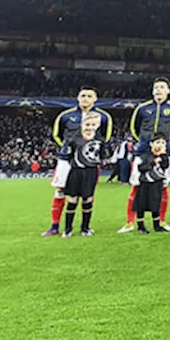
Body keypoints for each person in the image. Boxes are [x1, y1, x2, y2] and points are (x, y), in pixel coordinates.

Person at [44, 86, 114, 237]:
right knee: (60, 191)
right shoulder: (66, 115)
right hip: (67, 160)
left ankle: (85, 227)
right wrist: (69, 149)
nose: (85, 99)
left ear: (95, 99)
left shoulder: (103, 117)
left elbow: (105, 138)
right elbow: (57, 135)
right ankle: (55, 226)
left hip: (89, 162)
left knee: (87, 194)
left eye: (89, 96)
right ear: (77, 97)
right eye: (83, 95)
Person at [121, 78, 170, 233]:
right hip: (143, 152)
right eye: (156, 87)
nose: (159, 90)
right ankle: (130, 222)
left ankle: (161, 221)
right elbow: (134, 128)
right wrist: (144, 142)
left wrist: (166, 144)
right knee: (136, 186)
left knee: (163, 186)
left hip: (164, 154)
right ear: (152, 90)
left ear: (168, 91)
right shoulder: (142, 108)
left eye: (162, 87)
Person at [61, 112, 112, 237]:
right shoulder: (74, 139)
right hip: (76, 172)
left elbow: (102, 157)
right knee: (73, 199)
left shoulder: (100, 141)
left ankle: (85, 228)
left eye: (93, 125)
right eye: (87, 124)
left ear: (98, 126)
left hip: (91, 172)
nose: (90, 127)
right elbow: (69, 156)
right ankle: (68, 229)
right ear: (82, 124)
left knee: (88, 199)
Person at [134, 135, 170, 234]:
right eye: (158, 142)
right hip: (144, 183)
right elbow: (141, 168)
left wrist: (162, 155)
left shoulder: (164, 157)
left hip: (156, 183)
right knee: (141, 206)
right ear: (151, 144)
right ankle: (141, 227)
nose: (160, 145)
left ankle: (157, 226)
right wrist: (153, 162)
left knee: (155, 205)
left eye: (163, 143)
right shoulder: (145, 155)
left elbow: (165, 165)